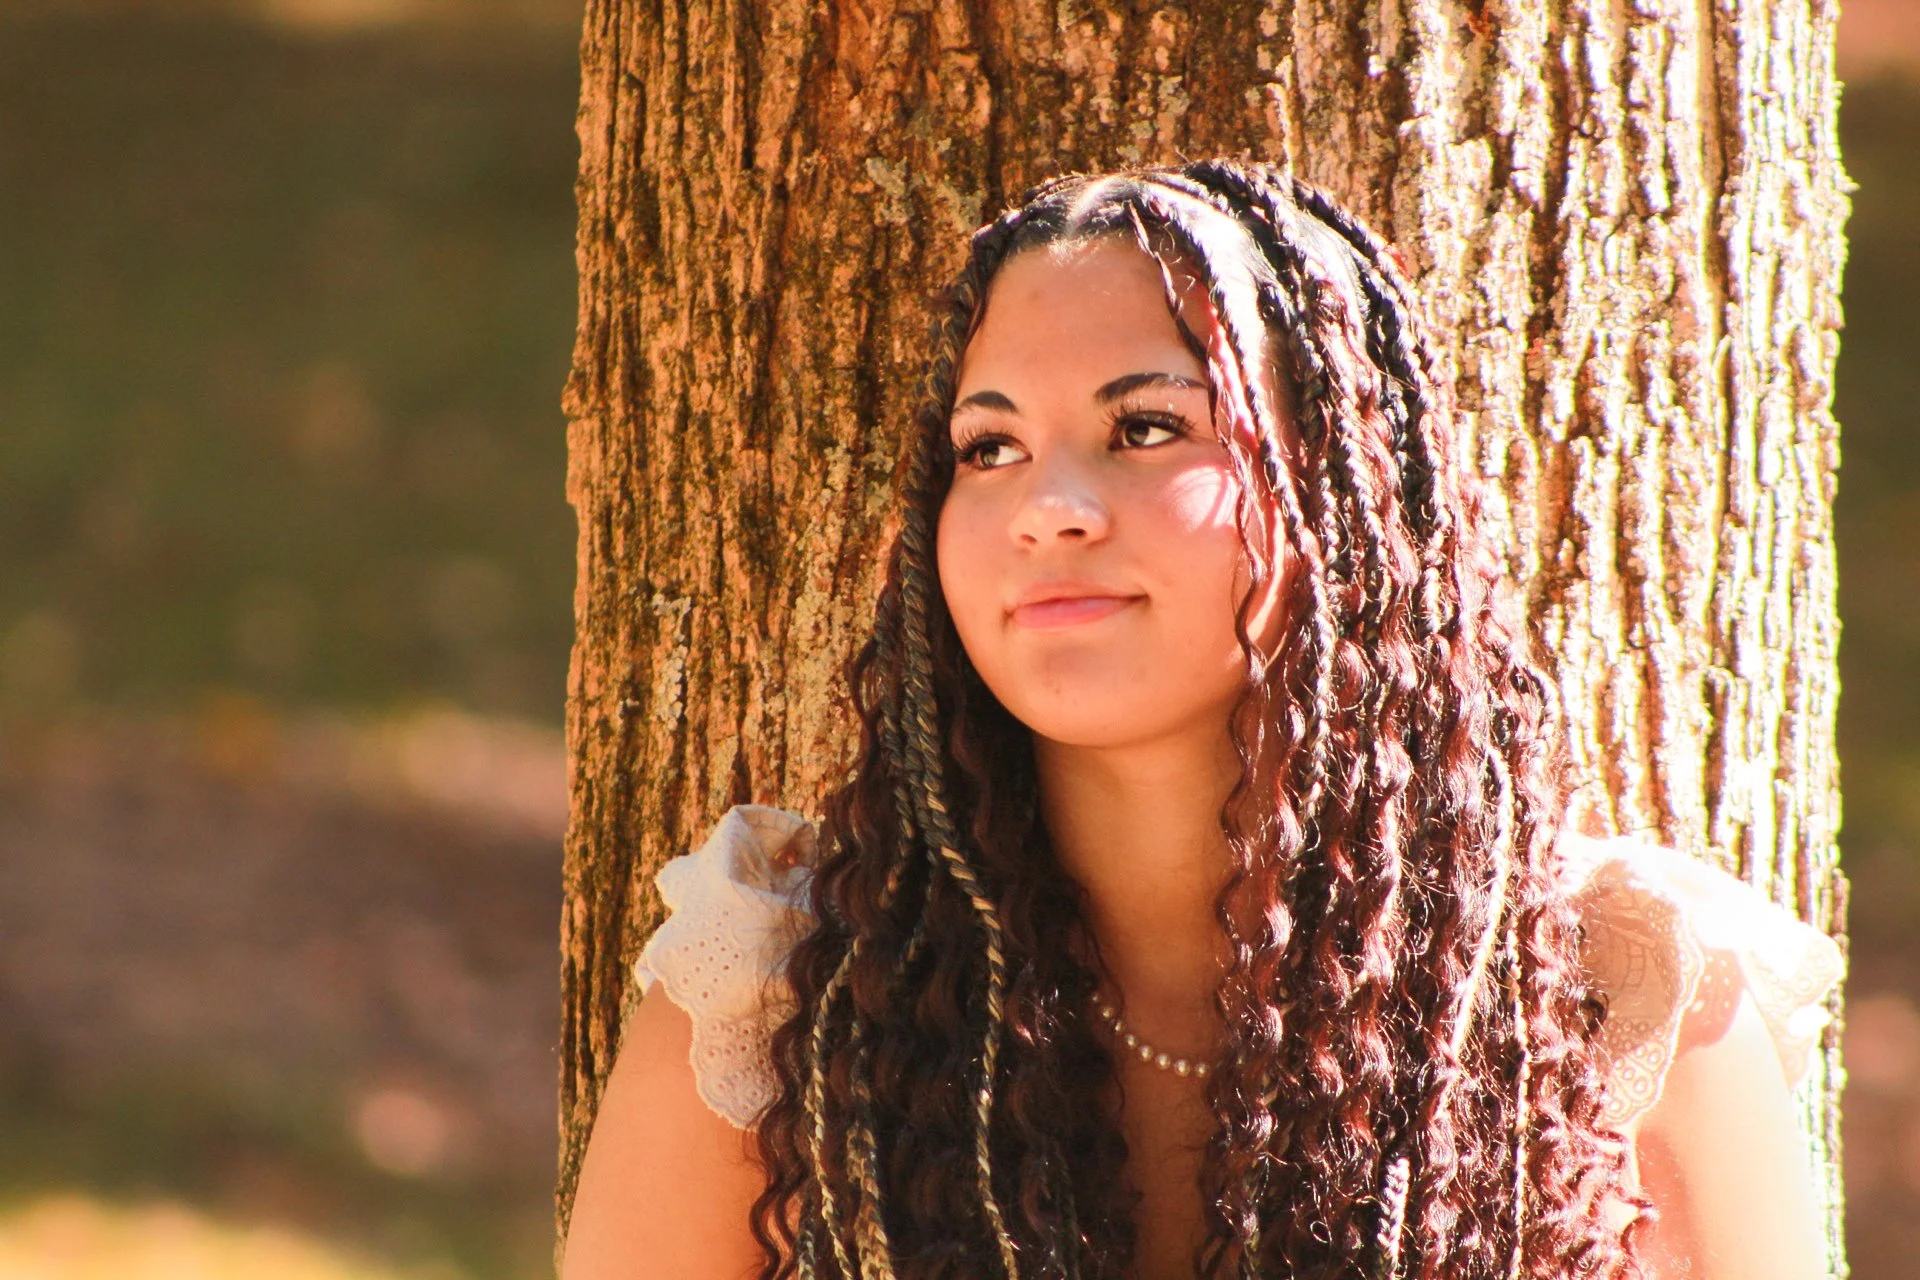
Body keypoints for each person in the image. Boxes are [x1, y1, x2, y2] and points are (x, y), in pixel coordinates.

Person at [560, 163, 1844, 1280]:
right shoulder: (782, 990)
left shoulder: (1622, 997)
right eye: (989, 446)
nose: (1047, 505)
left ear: (1335, 495)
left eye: (1146, 427)